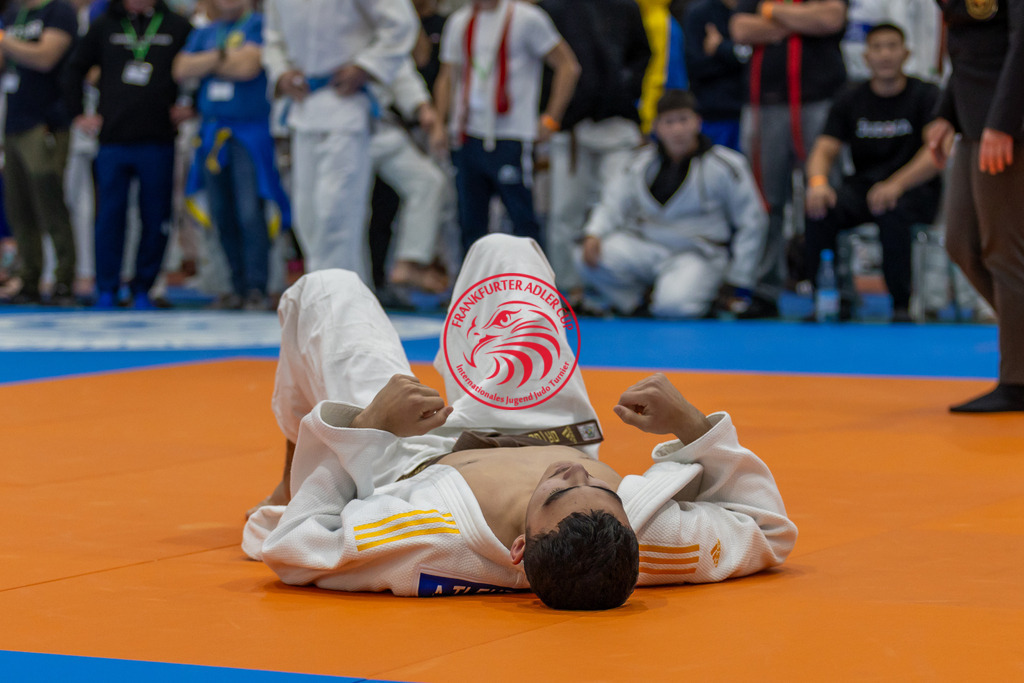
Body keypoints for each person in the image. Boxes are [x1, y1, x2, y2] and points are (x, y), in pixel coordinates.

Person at [243, 233, 797, 610]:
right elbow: (768, 530)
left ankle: (293, 455)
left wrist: (367, 425)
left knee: (327, 291)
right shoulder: (644, 545)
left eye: (557, 492)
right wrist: (694, 428)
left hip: (412, 452)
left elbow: (296, 543)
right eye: (605, 490)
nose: (573, 475)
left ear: (518, 551)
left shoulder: (425, 541)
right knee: (503, 249)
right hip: (544, 418)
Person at [261, 0, 419, 284]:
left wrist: (367, 66)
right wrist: (281, 72)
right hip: (303, 109)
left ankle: (334, 306)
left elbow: (400, 23)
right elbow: (273, 39)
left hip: (347, 109)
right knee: (307, 218)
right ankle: (336, 299)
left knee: (335, 216)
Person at [578, 90, 767, 319]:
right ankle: (637, 301)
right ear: (657, 127)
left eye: (683, 120)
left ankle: (687, 296)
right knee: (586, 257)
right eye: (669, 122)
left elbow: (752, 221)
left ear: (698, 122)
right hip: (647, 248)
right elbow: (612, 202)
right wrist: (594, 233)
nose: (677, 129)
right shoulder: (639, 163)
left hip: (698, 253)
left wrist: (738, 279)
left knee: (674, 307)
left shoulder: (726, 165)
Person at [803, 23, 941, 323]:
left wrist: (897, 184)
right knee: (820, 206)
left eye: (892, 46)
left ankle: (901, 304)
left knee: (892, 210)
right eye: (877, 47)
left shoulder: (926, 94)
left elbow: (935, 153)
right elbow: (824, 150)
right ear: (866, 56)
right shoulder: (851, 97)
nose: (885, 54)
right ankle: (829, 298)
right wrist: (817, 183)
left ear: (905, 53)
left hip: (912, 189)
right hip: (865, 187)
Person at [925, 0, 1024, 413]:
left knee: (1004, 252)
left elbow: (1022, 43)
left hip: (1007, 120)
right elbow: (968, 45)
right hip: (971, 116)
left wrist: (1004, 121)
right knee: (961, 243)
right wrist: (946, 111)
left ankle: (1017, 380)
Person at [63, 0, 193, 309]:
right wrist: (79, 113)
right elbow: (73, 69)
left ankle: (144, 288)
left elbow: (197, 66)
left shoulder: (175, 24)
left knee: (156, 216)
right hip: (113, 140)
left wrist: (192, 105)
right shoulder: (105, 23)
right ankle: (106, 287)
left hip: (158, 139)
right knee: (109, 216)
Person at [431, 0, 580, 256]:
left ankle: (532, 290)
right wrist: (439, 124)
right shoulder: (459, 21)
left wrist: (552, 118)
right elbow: (448, 74)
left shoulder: (528, 18)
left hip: (512, 134)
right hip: (468, 134)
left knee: (522, 220)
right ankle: (474, 292)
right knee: (470, 223)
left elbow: (568, 66)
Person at [730, 0, 849, 318]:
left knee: (825, 194)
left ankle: (835, 288)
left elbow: (831, 18)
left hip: (820, 103)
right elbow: (741, 29)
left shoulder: (768, 6)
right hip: (766, 106)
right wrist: (801, 23)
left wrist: (771, 14)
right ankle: (765, 289)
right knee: (766, 202)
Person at [173, 0, 291, 311]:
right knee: (220, 213)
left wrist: (209, 63)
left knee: (250, 212)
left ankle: (257, 286)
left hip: (249, 134)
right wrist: (225, 57)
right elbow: (181, 68)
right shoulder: (207, 32)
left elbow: (249, 66)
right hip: (212, 134)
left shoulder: (259, 26)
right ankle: (232, 286)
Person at [540, 0, 652, 303]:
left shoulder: (625, 6)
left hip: (617, 123)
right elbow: (543, 65)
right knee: (565, 212)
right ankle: (568, 288)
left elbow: (643, 54)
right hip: (571, 127)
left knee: (619, 207)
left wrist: (626, 89)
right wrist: (552, 113)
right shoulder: (553, 8)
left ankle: (621, 290)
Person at [0, 0, 79, 305]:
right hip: (14, 120)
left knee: (50, 201)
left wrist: (6, 41)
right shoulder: (13, 14)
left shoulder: (58, 11)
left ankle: (63, 279)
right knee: (18, 205)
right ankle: (29, 277)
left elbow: (46, 57)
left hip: (46, 120)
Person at [683, 0, 749, 151]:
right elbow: (696, 66)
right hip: (713, 115)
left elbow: (760, 63)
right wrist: (738, 55)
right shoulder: (700, 13)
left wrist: (720, 48)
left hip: (752, 111)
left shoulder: (753, 9)